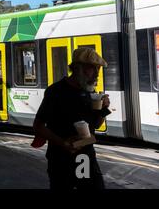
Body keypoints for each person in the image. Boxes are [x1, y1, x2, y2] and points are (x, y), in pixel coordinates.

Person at [33, 47, 111, 189]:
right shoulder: (55, 92)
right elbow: (38, 125)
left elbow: (96, 125)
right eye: (92, 69)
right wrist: (63, 143)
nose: (96, 74)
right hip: (60, 159)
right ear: (77, 68)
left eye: (98, 69)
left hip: (84, 158)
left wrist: (103, 109)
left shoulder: (90, 92)